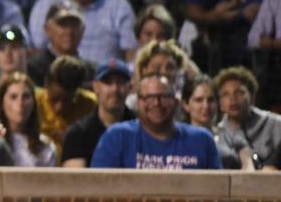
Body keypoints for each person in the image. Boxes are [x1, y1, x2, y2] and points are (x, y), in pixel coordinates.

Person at [91, 74, 222, 169]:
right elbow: (98, 191)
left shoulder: (202, 139)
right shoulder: (116, 137)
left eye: (164, 97)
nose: (157, 103)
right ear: (138, 103)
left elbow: (218, 194)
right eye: (149, 97)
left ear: (176, 102)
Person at [61, 59, 136, 168]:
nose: (115, 89)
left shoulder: (144, 129)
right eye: (108, 82)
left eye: (120, 82)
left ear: (130, 87)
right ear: (95, 87)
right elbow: (75, 181)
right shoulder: (78, 134)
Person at [214, 66, 281, 170]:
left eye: (239, 92)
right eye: (225, 94)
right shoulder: (217, 133)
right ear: (220, 103)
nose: (233, 99)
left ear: (252, 95)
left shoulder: (274, 123)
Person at [182, 75, 253, 170]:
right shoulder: (177, 137)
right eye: (199, 100)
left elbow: (249, 168)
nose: (206, 106)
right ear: (186, 104)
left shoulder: (231, 135)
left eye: (211, 100)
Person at [0, 73, 57, 167]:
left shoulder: (45, 146)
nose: (20, 103)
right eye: (13, 97)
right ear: (1, 102)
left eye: (26, 96)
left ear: (34, 103)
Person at [36, 55, 99, 153]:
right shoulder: (32, 102)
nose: (59, 107)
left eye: (67, 100)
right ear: (46, 84)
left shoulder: (91, 105)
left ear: (77, 91)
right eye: (54, 99)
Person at [26, 0, 93, 87]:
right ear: (47, 29)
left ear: (83, 30)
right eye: (63, 25)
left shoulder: (91, 71)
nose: (69, 31)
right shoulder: (34, 67)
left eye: (74, 24)